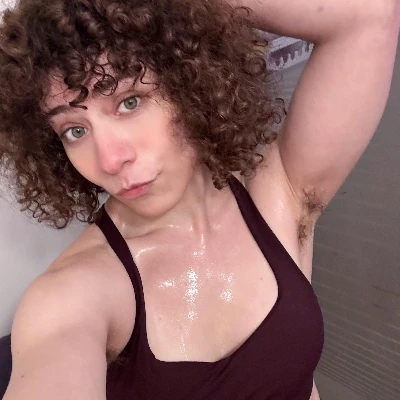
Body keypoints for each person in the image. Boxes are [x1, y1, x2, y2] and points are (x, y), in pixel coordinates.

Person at [0, 0, 399, 399]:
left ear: (187, 82)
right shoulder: (72, 294)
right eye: (74, 130)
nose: (109, 160)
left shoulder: (278, 190)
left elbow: (370, 15)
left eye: (129, 102)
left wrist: (172, 7)